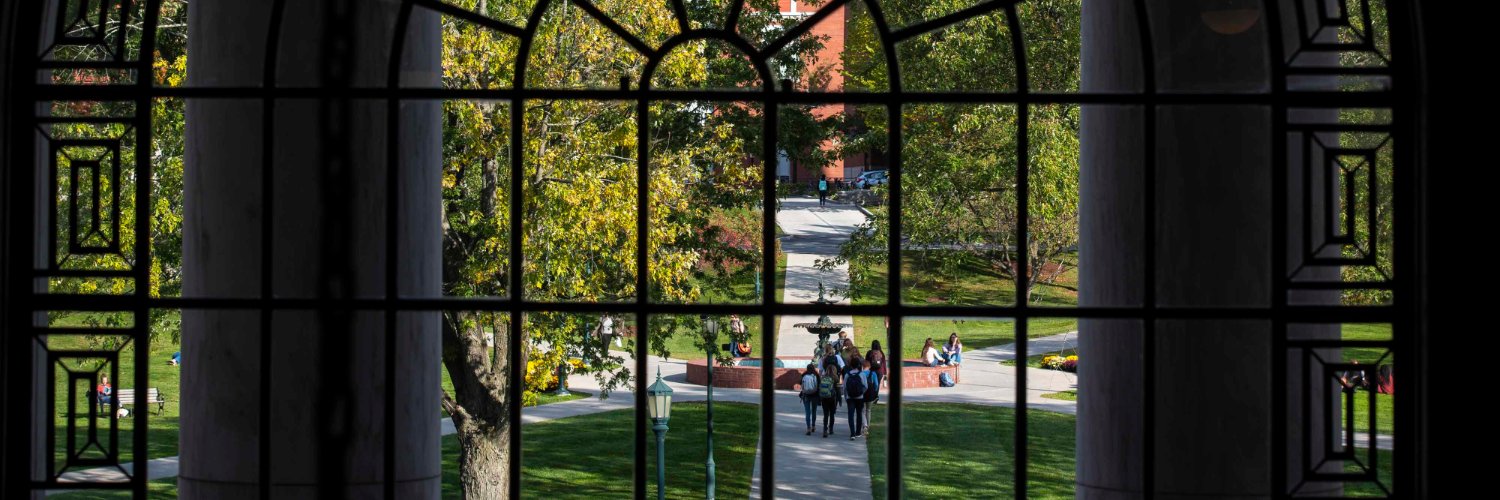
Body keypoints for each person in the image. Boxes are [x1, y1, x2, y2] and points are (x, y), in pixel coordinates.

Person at [843, 357, 874, 440]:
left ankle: (852, 434)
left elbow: (844, 388)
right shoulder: (862, 374)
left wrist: (846, 396)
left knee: (850, 415)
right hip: (859, 397)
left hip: (850, 397)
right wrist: (861, 393)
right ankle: (858, 432)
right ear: (858, 365)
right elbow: (865, 386)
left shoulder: (847, 375)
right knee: (859, 414)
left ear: (851, 365)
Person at [819, 356, 841, 437]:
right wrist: (839, 400)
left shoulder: (823, 377)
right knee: (832, 414)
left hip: (824, 398)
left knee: (825, 414)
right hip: (833, 398)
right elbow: (838, 390)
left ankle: (825, 430)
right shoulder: (836, 378)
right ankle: (831, 429)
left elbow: (820, 388)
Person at [799, 364, 820, 435]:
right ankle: (813, 426)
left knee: (807, 412)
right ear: (813, 368)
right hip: (815, 395)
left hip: (806, 395)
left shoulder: (804, 375)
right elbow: (819, 385)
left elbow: (800, 383)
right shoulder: (816, 375)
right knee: (814, 411)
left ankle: (808, 428)